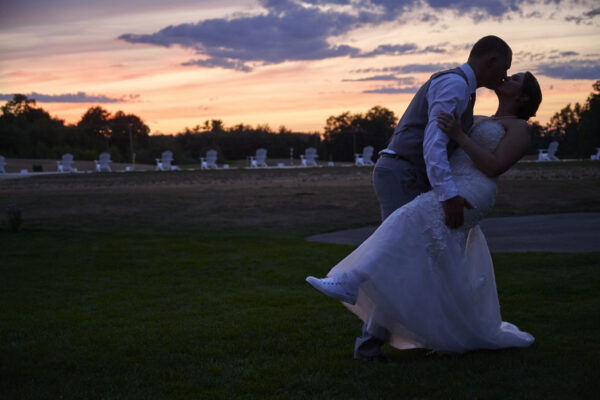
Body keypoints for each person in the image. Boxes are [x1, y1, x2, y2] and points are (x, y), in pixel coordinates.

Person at [306, 70, 543, 360]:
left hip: (472, 190)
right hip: (449, 185)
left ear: (524, 97)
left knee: (406, 219)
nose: (506, 77)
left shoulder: (519, 127)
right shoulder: (481, 119)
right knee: (429, 259)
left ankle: (350, 279)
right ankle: (447, 332)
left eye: (515, 78)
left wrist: (458, 134)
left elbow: (495, 165)